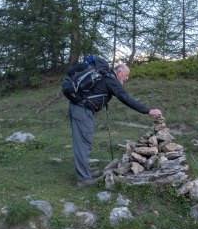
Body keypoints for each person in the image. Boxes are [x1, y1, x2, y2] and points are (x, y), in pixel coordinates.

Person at [67, 57, 162, 187]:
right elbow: (125, 98)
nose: (127, 78)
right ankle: (84, 179)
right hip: (82, 111)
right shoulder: (111, 79)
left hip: (80, 109)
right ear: (119, 72)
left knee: (85, 142)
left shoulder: (106, 77)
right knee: (83, 143)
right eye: (126, 75)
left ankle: (85, 173)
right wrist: (148, 111)